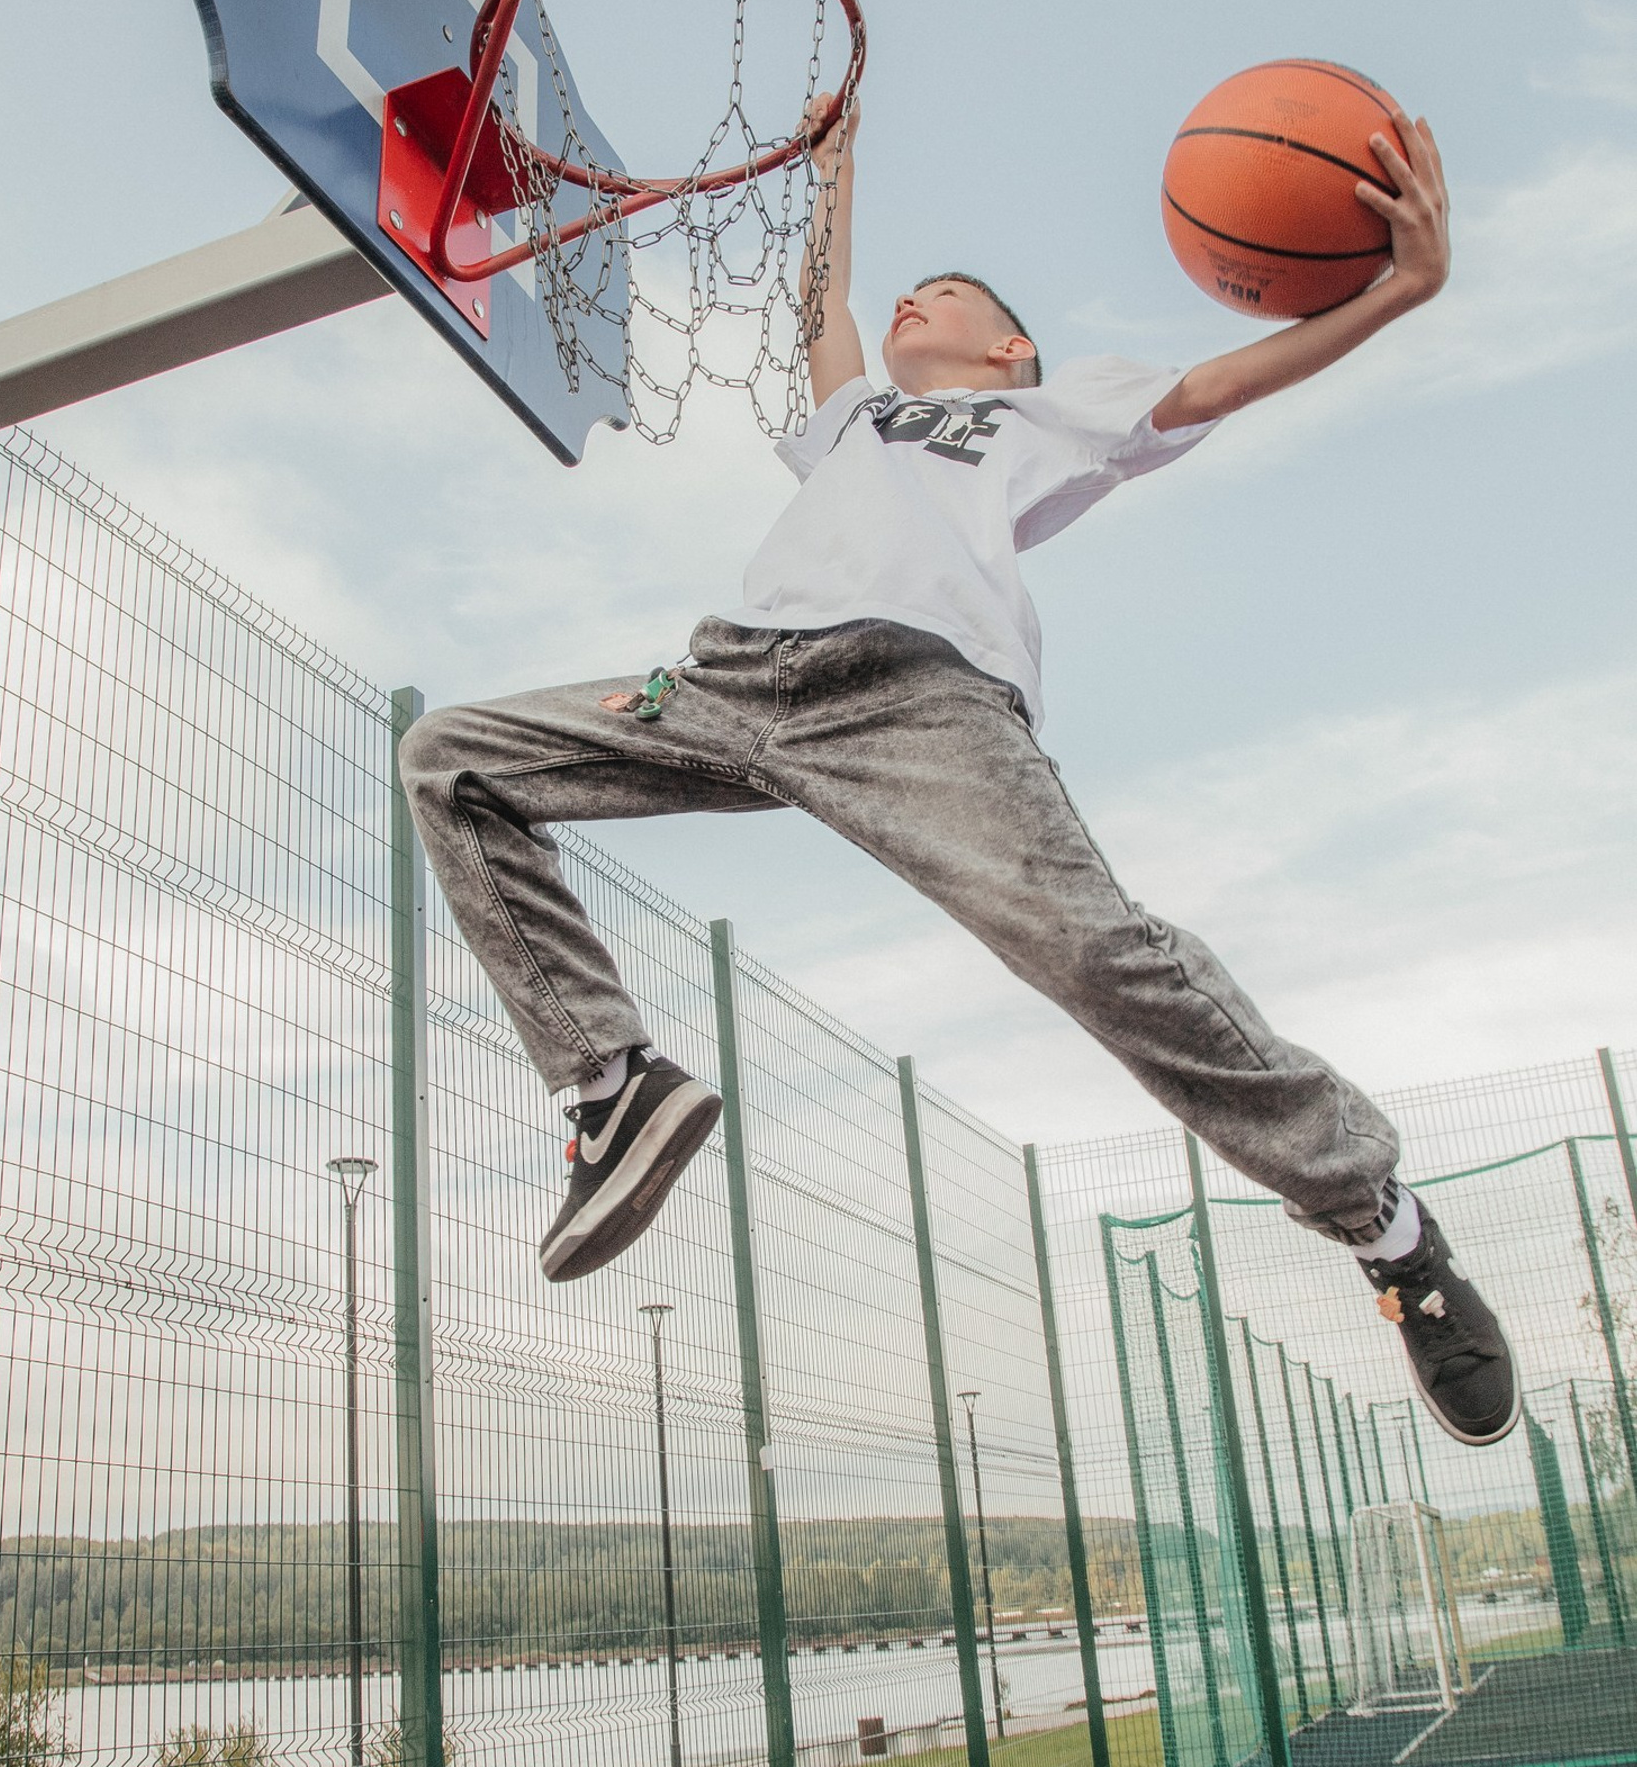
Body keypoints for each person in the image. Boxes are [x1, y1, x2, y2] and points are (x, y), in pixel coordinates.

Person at [399, 93, 1519, 1447]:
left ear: (1010, 346)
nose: (912, 299)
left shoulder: (1051, 408)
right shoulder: (857, 420)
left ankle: (1385, 1229)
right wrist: (835, 169)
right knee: (451, 758)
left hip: (920, 699)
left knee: (1104, 959)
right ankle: (608, 1083)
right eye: (907, 291)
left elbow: (1217, 383)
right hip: (735, 681)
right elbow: (822, 312)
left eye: (948, 293)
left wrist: (1400, 293)